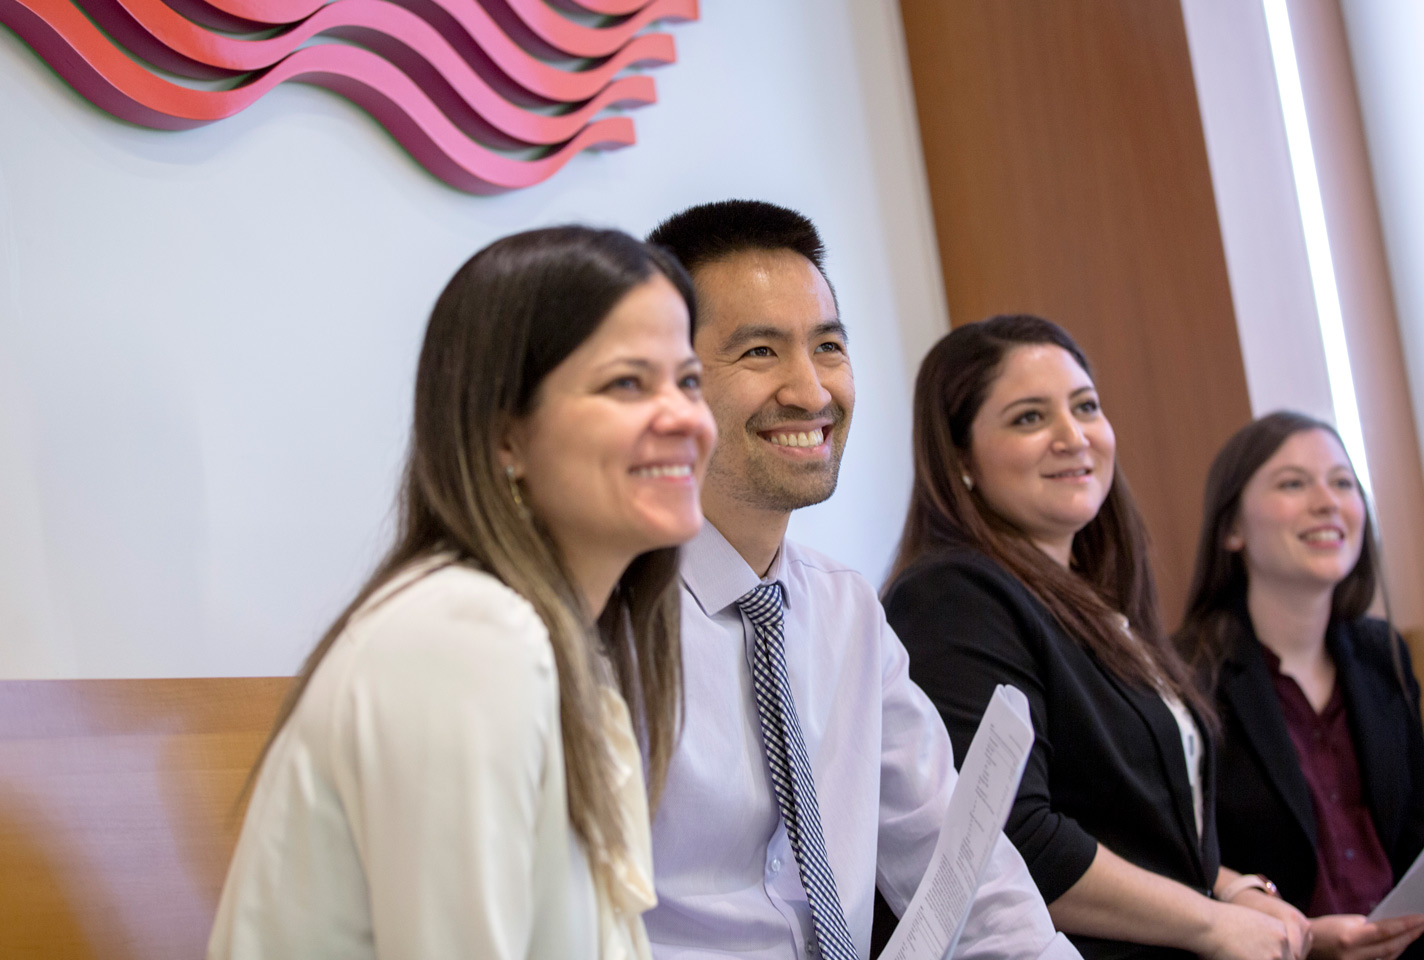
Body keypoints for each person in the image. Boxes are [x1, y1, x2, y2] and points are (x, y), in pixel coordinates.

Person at [207, 226, 716, 959]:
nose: (686, 417)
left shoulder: (557, 644)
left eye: (688, 381)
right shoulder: (467, 637)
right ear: (505, 438)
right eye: (627, 384)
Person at [642, 200, 1078, 960]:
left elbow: (959, 869)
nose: (812, 392)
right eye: (759, 352)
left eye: (829, 347)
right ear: (666, 382)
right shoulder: (602, 621)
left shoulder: (845, 609)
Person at [880, 315, 1310, 960]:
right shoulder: (952, 596)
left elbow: (1131, 828)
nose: (1074, 436)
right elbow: (1007, 836)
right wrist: (1211, 923)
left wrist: (1234, 892)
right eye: (1030, 417)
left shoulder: (1097, 604)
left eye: (1085, 407)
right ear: (961, 457)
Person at [1175, 411, 1424, 960]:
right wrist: (1308, 939)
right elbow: (1180, 862)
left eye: (1342, 482)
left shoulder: (1383, 654)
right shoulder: (1184, 674)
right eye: (1293, 484)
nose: (1327, 502)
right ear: (1231, 529)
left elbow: (1419, 841)